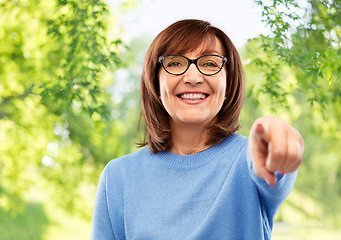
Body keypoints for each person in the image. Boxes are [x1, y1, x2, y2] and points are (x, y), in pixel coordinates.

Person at [91, 19, 304, 240]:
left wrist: (278, 134)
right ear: (155, 81)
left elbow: (276, 164)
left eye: (210, 63)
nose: (193, 78)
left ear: (228, 82)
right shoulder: (117, 177)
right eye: (174, 63)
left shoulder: (250, 160)